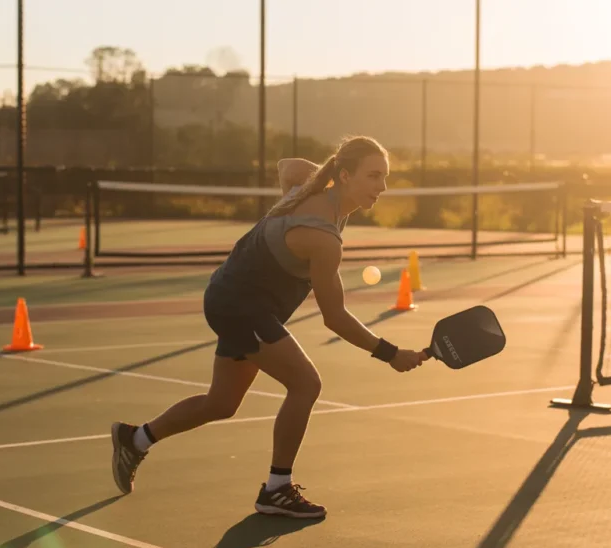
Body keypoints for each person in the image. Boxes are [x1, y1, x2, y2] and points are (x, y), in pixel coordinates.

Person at [110, 135, 430, 519]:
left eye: (385, 177)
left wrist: (319, 178)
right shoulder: (323, 238)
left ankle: (135, 438)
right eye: (373, 176)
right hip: (242, 307)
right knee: (306, 384)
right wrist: (391, 354)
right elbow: (335, 316)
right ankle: (277, 489)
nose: (382, 187)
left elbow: (287, 165)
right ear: (345, 175)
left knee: (222, 403)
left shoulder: (310, 189)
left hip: (229, 296)